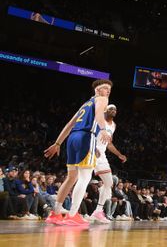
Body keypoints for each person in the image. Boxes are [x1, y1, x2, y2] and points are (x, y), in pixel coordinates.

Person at [43, 78, 114, 226]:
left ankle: (55, 213)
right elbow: (100, 116)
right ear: (97, 90)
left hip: (72, 138)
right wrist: (103, 130)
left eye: (109, 89)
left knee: (71, 177)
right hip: (87, 136)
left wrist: (57, 143)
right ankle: (72, 215)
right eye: (105, 88)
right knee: (85, 176)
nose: (108, 91)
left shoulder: (85, 104)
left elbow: (70, 124)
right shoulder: (101, 99)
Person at [90, 104, 127, 223]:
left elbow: (109, 144)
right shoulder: (99, 121)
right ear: (105, 110)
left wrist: (119, 154)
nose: (113, 110)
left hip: (102, 156)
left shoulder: (113, 125)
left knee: (109, 182)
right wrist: (93, 148)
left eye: (115, 109)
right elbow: (90, 135)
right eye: (111, 108)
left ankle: (98, 211)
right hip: (91, 152)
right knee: (81, 179)